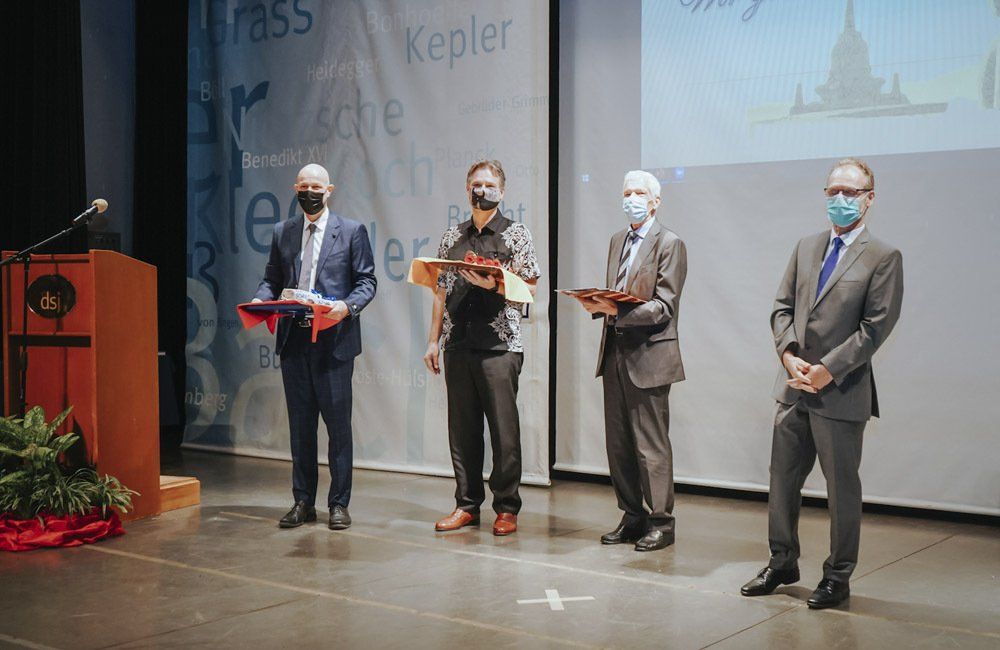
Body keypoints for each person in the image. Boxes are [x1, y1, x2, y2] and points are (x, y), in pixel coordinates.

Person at [740, 158, 903, 609]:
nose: (840, 200)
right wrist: (789, 355)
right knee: (782, 481)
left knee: (841, 489)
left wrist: (828, 369)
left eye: (850, 193)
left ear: (869, 198)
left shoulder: (883, 257)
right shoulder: (806, 246)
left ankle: (838, 576)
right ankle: (782, 562)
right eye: (833, 191)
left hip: (840, 391)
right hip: (793, 385)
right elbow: (781, 307)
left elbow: (875, 328)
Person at [253, 163, 377, 531]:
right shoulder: (283, 231)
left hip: (333, 342)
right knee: (300, 428)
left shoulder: (351, 231)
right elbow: (271, 279)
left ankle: (338, 504)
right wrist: (261, 301)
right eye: (303, 186)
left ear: (329, 190)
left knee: (338, 429)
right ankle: (302, 501)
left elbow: (367, 281)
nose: (310, 192)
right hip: (294, 342)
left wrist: (346, 307)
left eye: (316, 186)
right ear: (295, 188)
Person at [423, 160, 540, 536]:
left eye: (490, 185)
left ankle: (506, 507)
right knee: (462, 428)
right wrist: (432, 340)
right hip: (457, 343)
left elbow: (531, 290)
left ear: (502, 192)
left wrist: (495, 287)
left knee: (504, 431)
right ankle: (466, 505)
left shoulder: (516, 235)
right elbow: (440, 291)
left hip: (500, 344)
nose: (482, 190)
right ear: (467, 189)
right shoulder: (451, 237)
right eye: (476, 183)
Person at [575, 170, 687, 552]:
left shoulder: (669, 243)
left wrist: (616, 311)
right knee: (619, 443)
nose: (631, 199)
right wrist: (598, 304)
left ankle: (661, 522)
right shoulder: (616, 240)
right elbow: (618, 292)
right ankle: (632, 515)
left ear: (655, 201)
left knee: (650, 445)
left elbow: (664, 306)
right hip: (615, 353)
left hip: (650, 356)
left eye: (639, 193)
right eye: (626, 192)